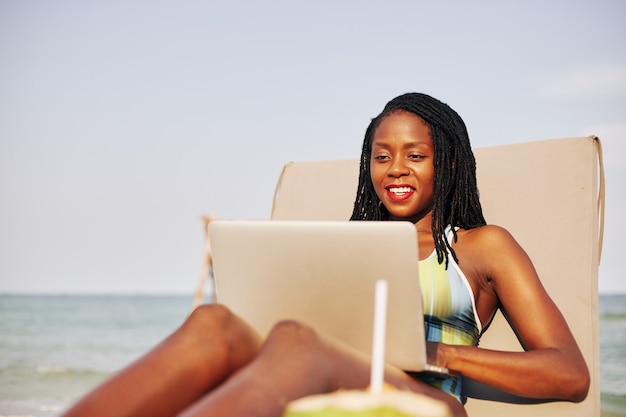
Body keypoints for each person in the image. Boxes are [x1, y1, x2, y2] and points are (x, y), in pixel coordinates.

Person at [61, 93, 589, 417]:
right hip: (331, 377)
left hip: (428, 403)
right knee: (214, 322)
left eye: (415, 155)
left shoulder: (481, 245)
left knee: (298, 343)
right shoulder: (347, 247)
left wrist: (431, 354)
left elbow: (568, 373)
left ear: (447, 163)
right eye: (382, 156)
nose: (396, 169)